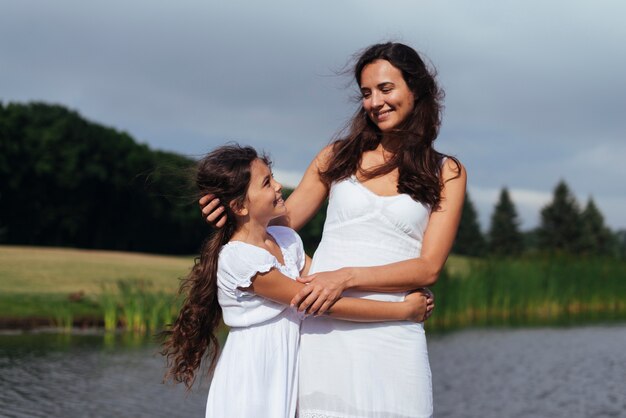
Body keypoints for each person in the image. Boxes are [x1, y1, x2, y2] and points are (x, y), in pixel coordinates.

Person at [200, 42, 466, 417]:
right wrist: (230, 209)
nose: (375, 102)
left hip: (395, 327)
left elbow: (429, 268)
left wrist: (345, 277)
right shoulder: (337, 156)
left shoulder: (447, 172)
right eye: (367, 93)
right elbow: (281, 219)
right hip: (324, 326)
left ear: (416, 88)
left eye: (386, 89)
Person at [161, 144, 433, 418]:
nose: (279, 186)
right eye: (267, 182)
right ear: (240, 206)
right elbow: (322, 303)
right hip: (254, 378)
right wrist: (402, 311)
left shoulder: (286, 241)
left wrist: (400, 290)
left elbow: (327, 280)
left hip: (285, 374)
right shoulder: (240, 259)